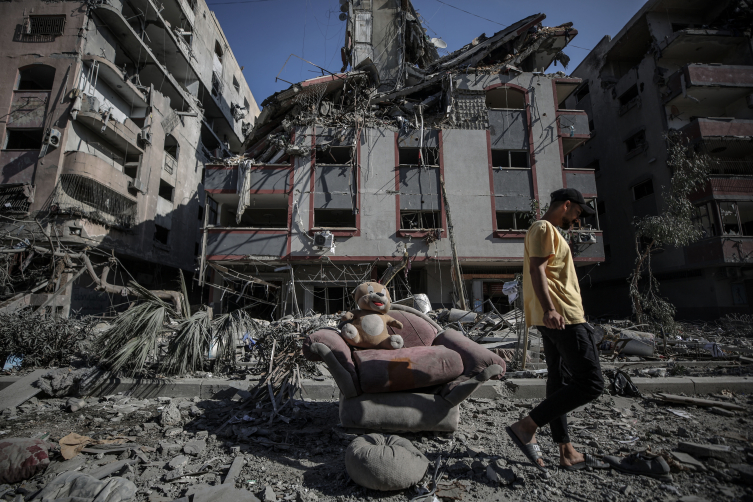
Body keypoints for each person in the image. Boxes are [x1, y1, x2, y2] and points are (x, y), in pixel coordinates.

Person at [505, 188, 607, 471]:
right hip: (562, 317)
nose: (577, 219)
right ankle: (526, 426)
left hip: (554, 317)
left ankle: (566, 451)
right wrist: (551, 308)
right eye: (577, 212)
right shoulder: (543, 228)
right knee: (591, 383)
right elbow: (537, 270)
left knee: (559, 381)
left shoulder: (548, 231)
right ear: (566, 205)